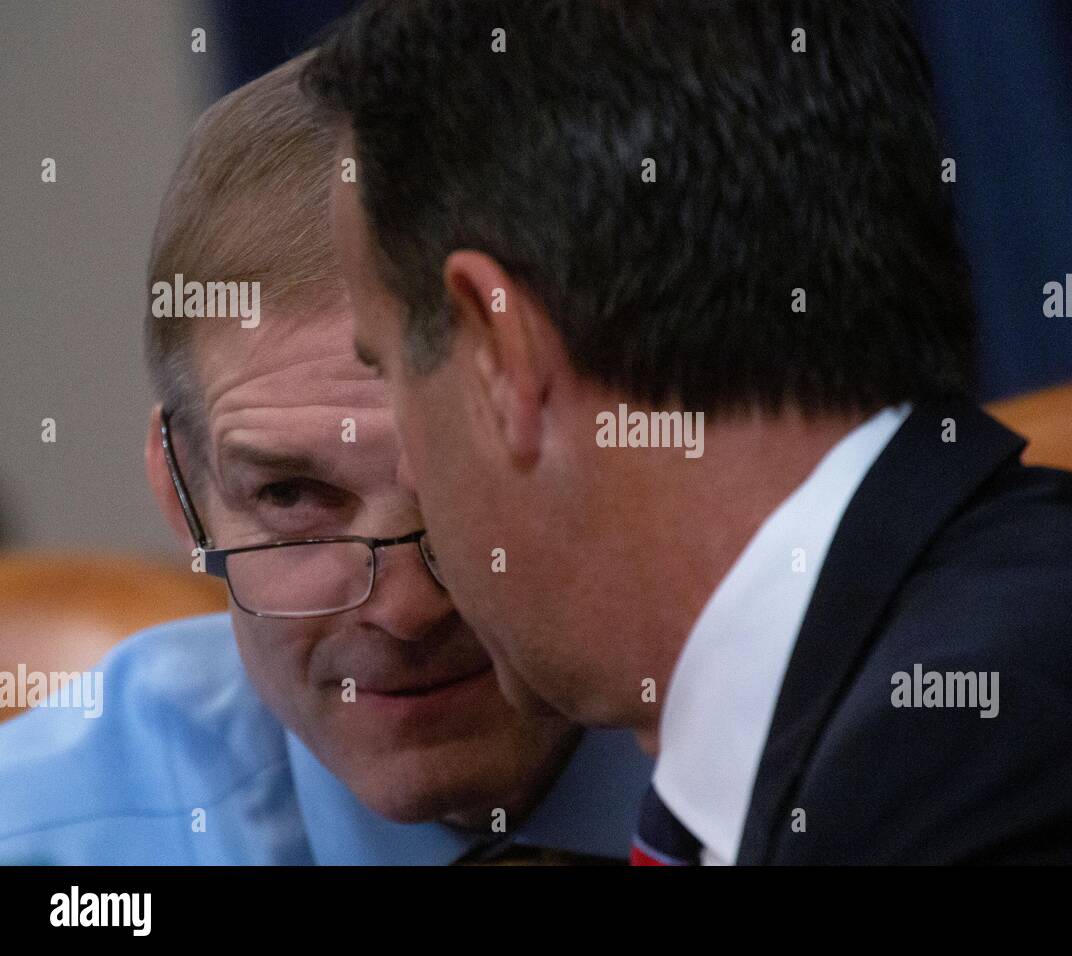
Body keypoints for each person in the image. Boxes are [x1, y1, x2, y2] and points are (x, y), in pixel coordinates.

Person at [307, 0, 1072, 864]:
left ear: (499, 349)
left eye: (386, 368)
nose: (408, 484)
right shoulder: (978, 634)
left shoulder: (965, 775)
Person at [0, 54, 649, 866]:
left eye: (465, 483)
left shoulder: (828, 778)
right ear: (182, 494)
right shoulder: (36, 842)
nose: (405, 612)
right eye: (292, 493)